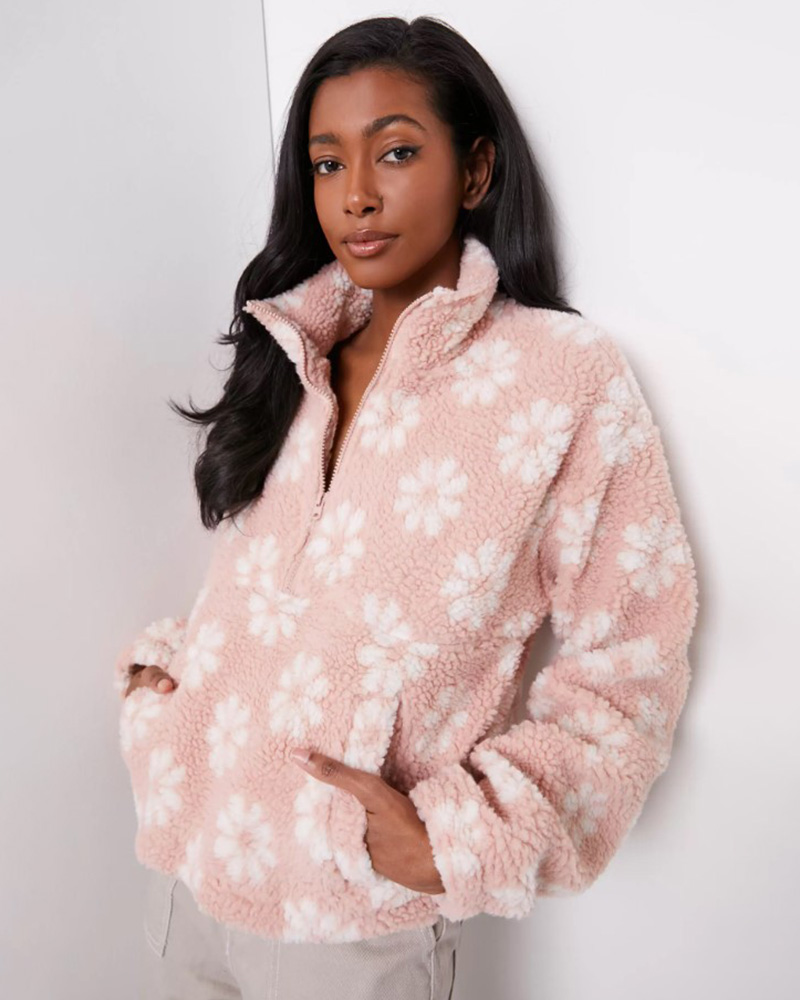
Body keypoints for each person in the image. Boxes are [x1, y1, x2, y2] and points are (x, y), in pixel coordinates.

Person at [114, 14, 699, 1000]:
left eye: (394, 152)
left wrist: (457, 837)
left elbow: (631, 660)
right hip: (189, 875)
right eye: (326, 162)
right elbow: (260, 596)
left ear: (475, 171)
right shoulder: (291, 352)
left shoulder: (559, 378)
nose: (355, 194)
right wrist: (166, 696)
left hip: (350, 918)